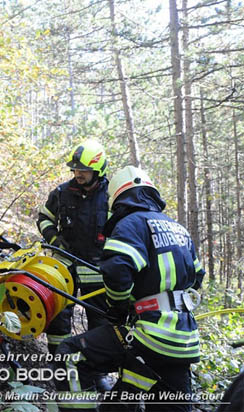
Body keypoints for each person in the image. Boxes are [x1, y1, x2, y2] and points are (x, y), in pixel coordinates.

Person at [53, 165, 205, 412]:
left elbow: (116, 270)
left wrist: (119, 306)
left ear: (120, 199)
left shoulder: (131, 223)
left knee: (68, 354)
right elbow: (198, 276)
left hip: (151, 336)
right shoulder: (179, 229)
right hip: (184, 341)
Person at [36, 140, 110, 361]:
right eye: (76, 169)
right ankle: (60, 366)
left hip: (97, 271)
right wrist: (54, 239)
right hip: (64, 267)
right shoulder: (62, 192)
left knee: (100, 322)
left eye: (84, 170)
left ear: (98, 170)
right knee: (58, 318)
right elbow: (44, 218)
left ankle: (96, 372)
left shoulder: (112, 197)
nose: (78, 174)